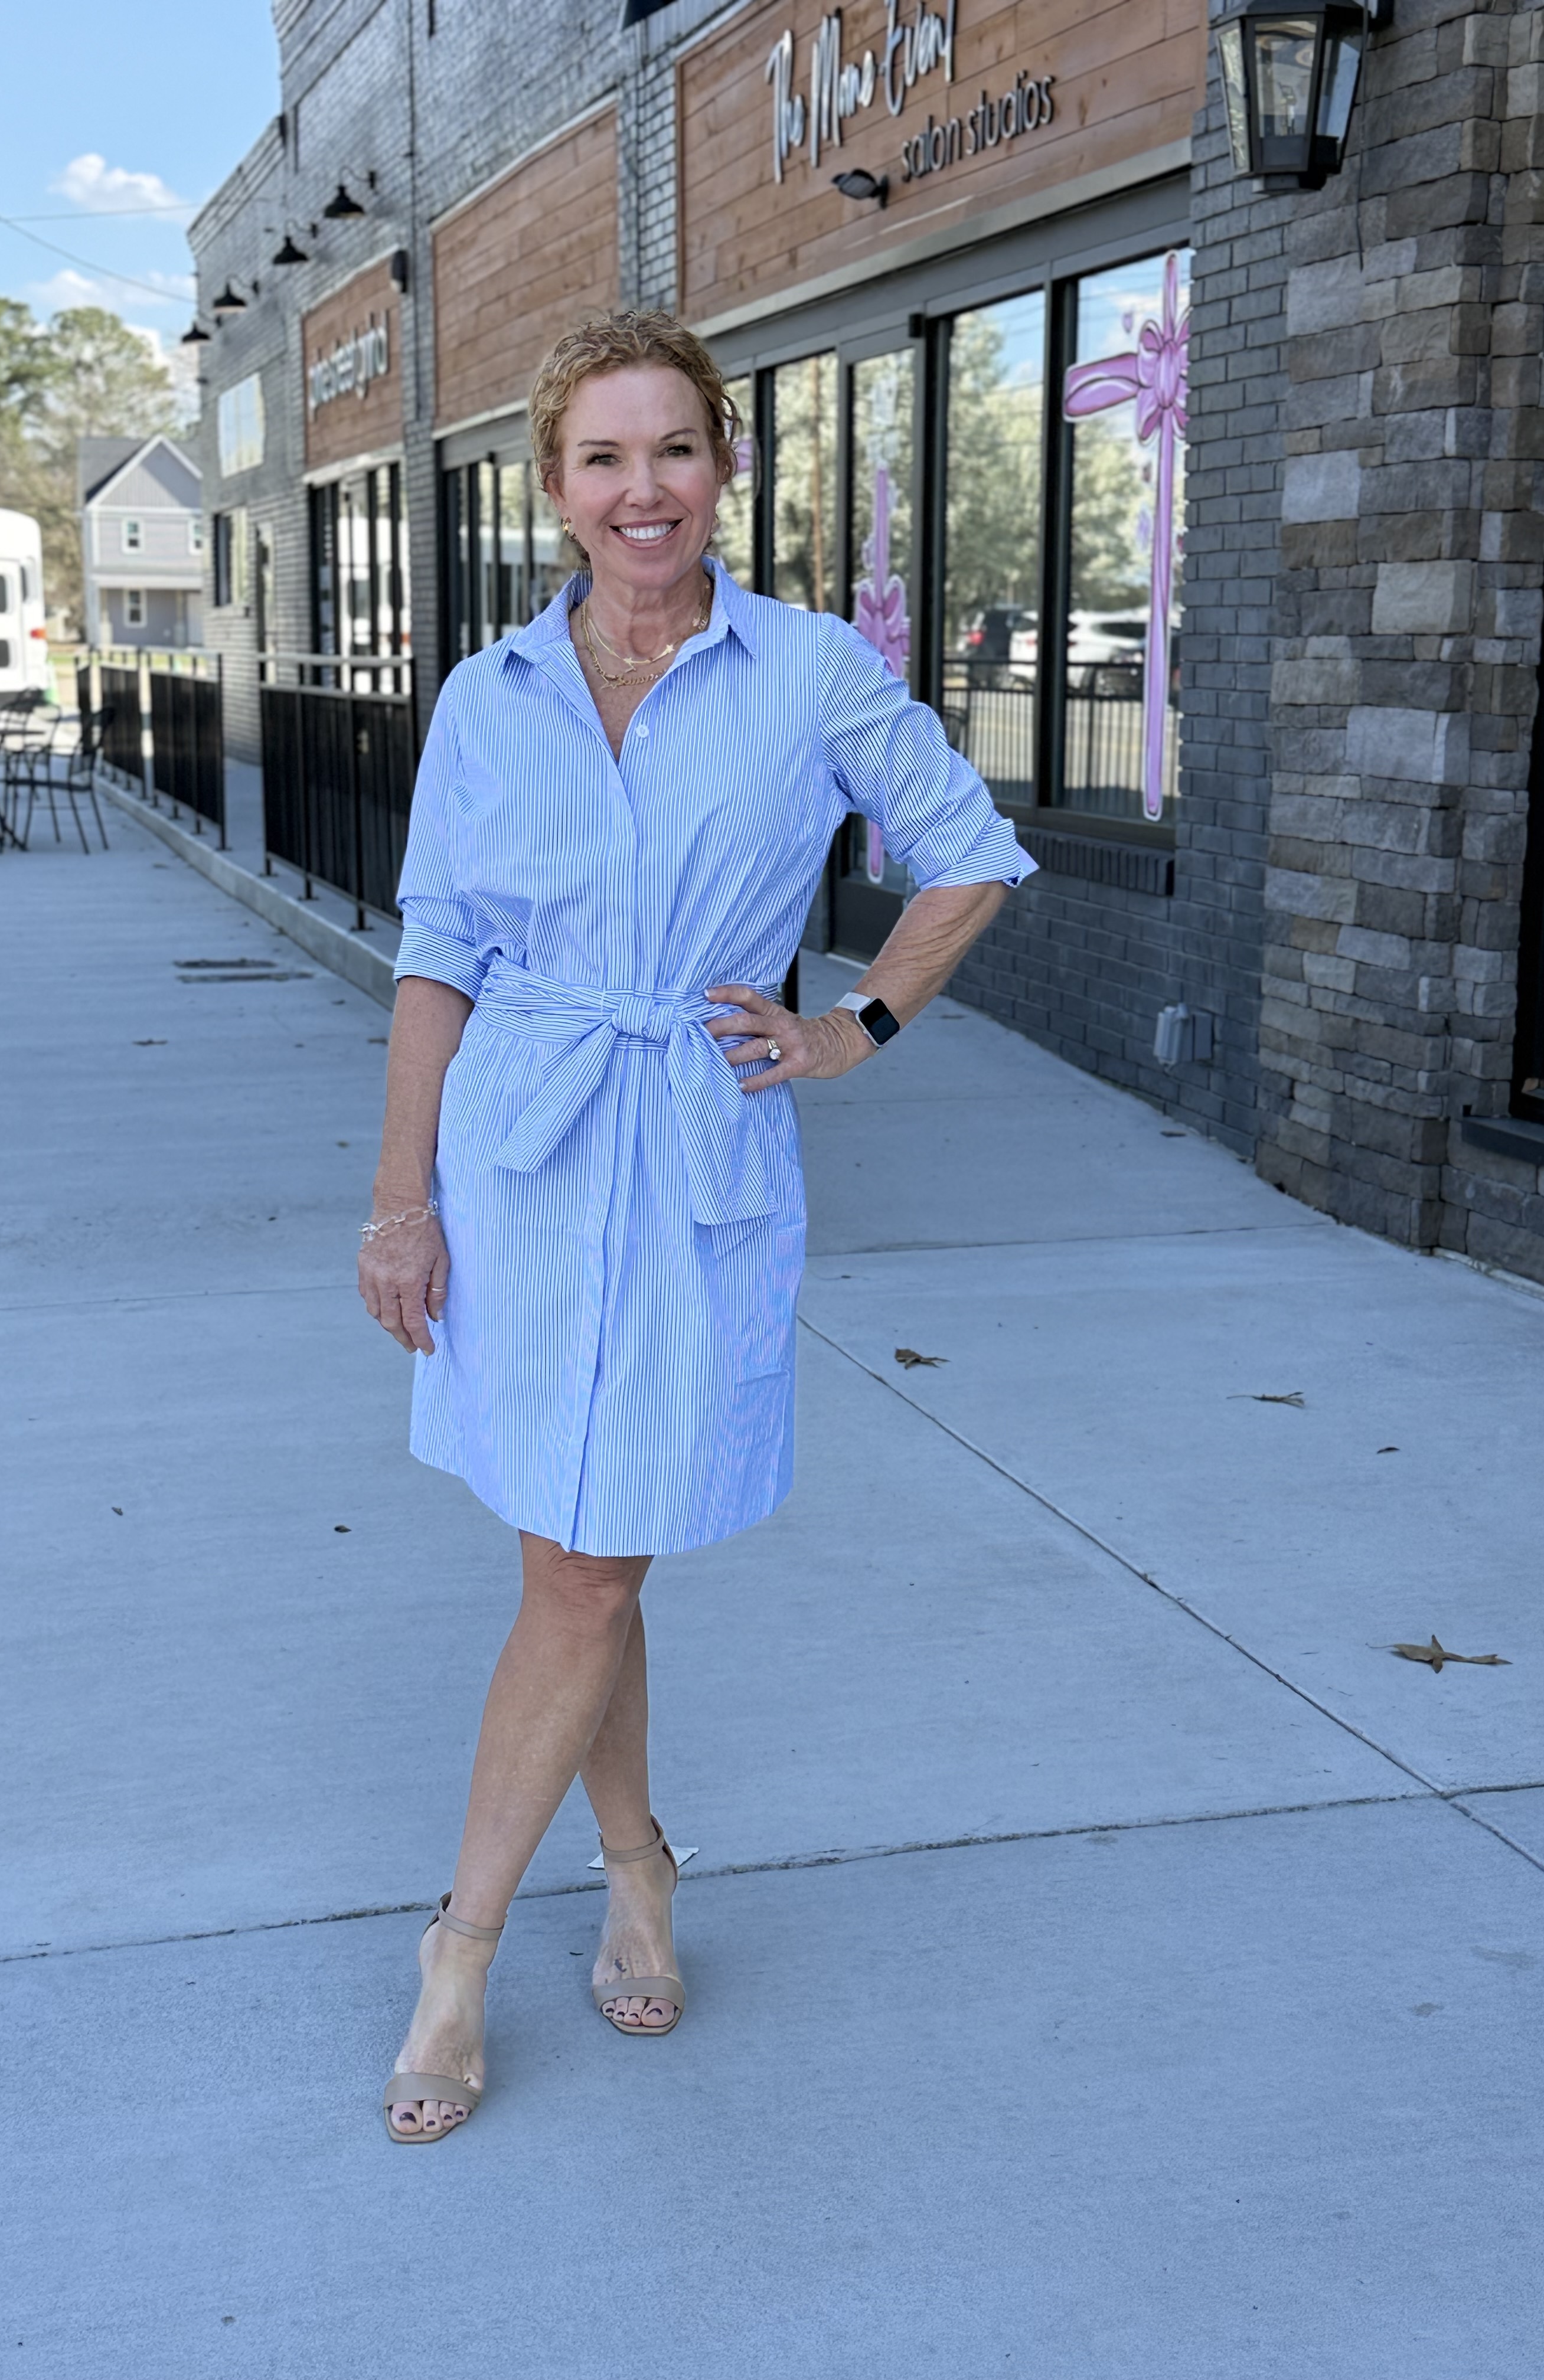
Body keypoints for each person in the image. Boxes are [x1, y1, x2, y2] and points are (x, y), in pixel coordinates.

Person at [360, 309, 1036, 2143]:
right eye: (603, 457)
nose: (641, 488)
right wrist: (401, 1202)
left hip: (695, 1144)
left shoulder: (809, 672)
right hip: (520, 1152)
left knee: (590, 1555)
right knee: (587, 1545)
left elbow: (967, 849)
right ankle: (641, 1862)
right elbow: (439, 956)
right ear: (555, 484)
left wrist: (852, 1026)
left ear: (723, 468)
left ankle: (459, 1947)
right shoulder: (488, 700)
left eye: (673, 450)